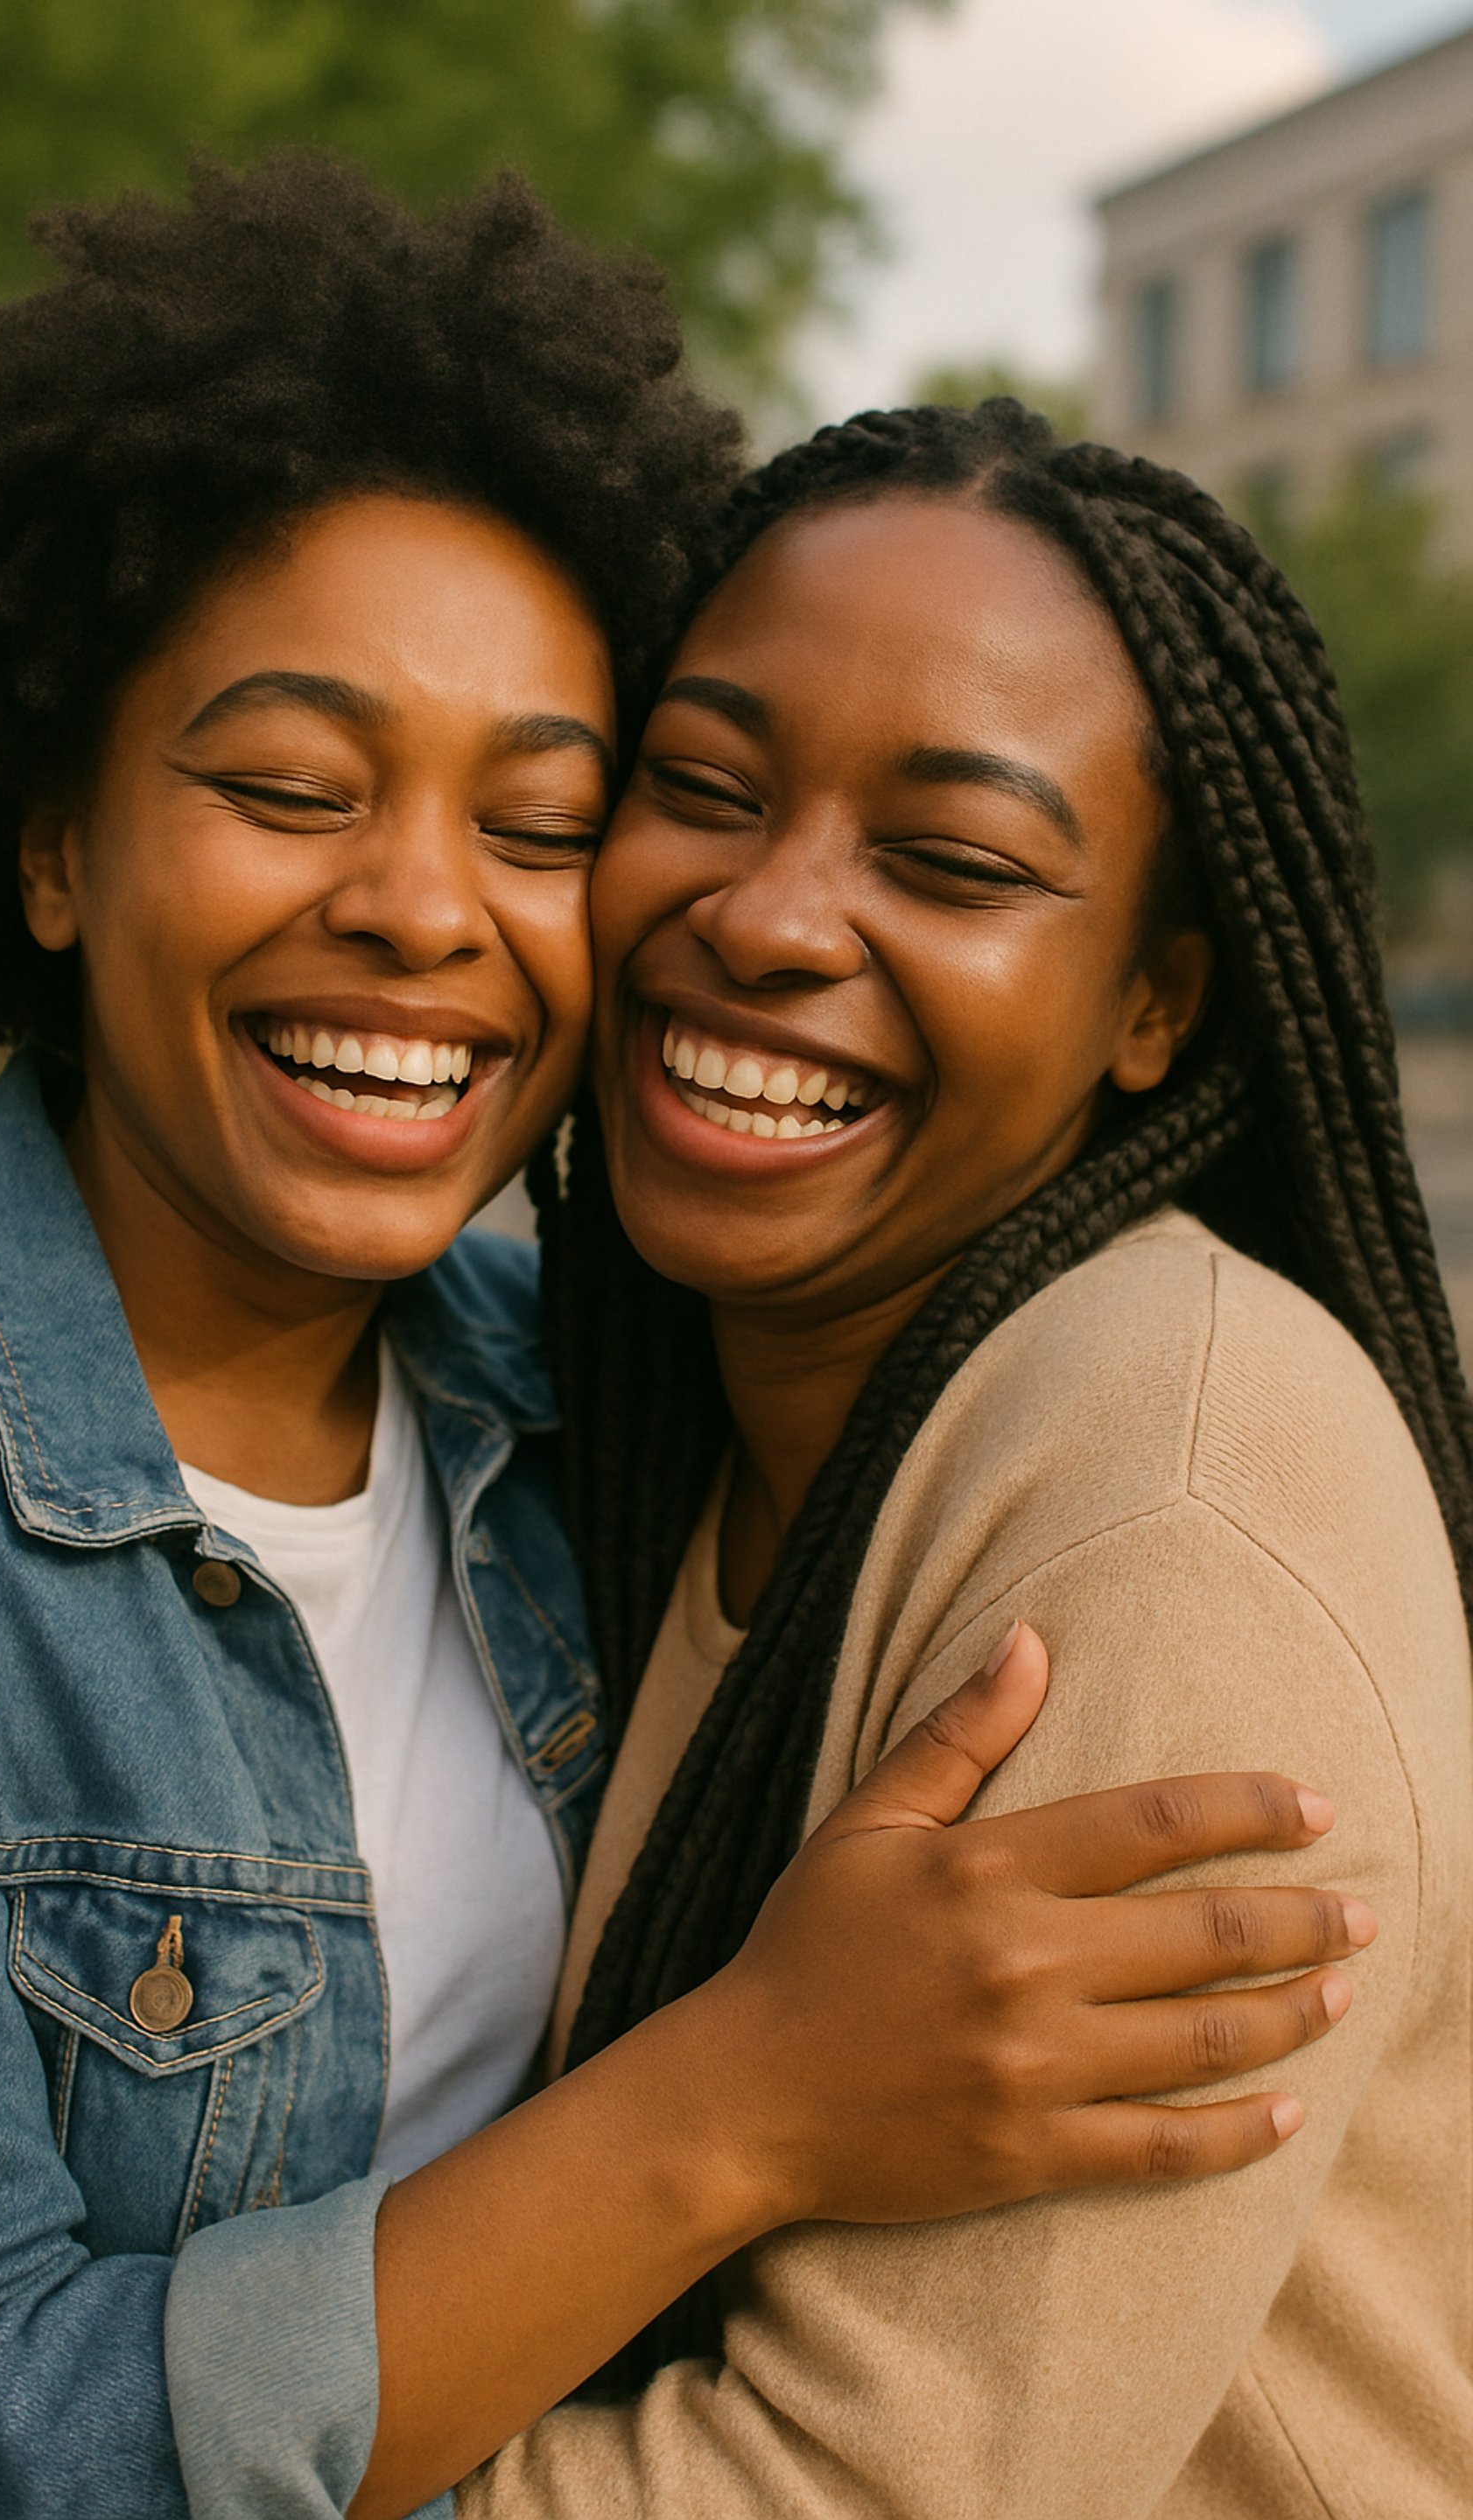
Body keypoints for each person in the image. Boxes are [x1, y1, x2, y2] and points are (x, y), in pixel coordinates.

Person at [0, 174, 1364, 2520]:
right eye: (287, 789)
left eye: (543, 820)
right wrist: (737, 2101)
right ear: (50, 845)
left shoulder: (592, 1399)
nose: (424, 909)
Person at [466, 399, 1473, 2517]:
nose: (767, 917)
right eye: (702, 789)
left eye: (952, 862)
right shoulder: (629, 1403)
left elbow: (846, 2489)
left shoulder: (1179, 1505)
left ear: (1153, 1005)